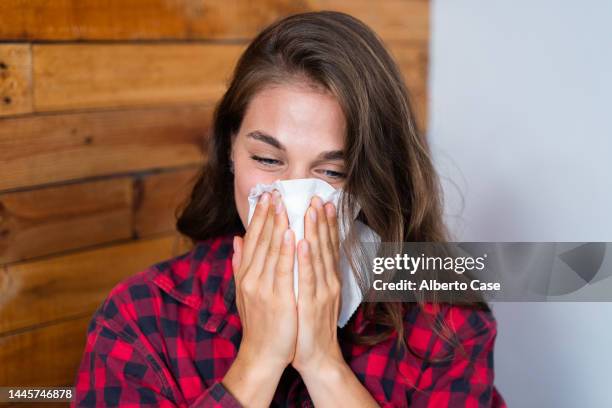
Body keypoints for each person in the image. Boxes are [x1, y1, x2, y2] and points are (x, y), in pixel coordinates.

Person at [72, 11, 507, 407]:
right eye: (267, 160)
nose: (292, 196)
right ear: (230, 151)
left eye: (332, 172)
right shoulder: (141, 318)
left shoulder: (444, 316)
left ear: (371, 179)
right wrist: (259, 360)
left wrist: (322, 363)